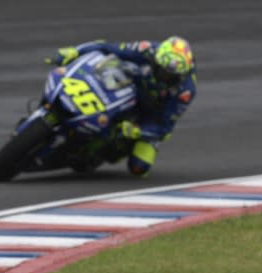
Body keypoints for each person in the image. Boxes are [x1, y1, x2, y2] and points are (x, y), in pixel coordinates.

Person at [46, 36, 197, 177]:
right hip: (132, 88)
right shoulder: (147, 49)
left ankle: (109, 150)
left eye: (172, 77)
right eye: (163, 73)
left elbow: (164, 125)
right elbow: (107, 47)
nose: (166, 79)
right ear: (155, 62)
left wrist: (138, 131)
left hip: (152, 114)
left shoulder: (185, 91)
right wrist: (75, 51)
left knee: (139, 168)